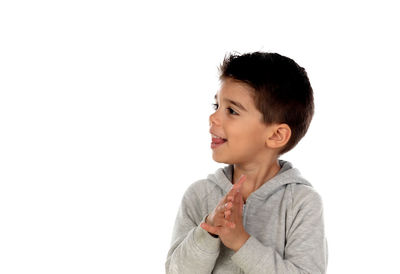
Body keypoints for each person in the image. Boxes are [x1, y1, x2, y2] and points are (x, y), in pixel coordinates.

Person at [165, 52, 328, 273]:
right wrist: (209, 230)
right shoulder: (199, 195)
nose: (213, 118)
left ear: (276, 135)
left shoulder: (301, 203)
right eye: (217, 106)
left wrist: (242, 243)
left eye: (231, 110)